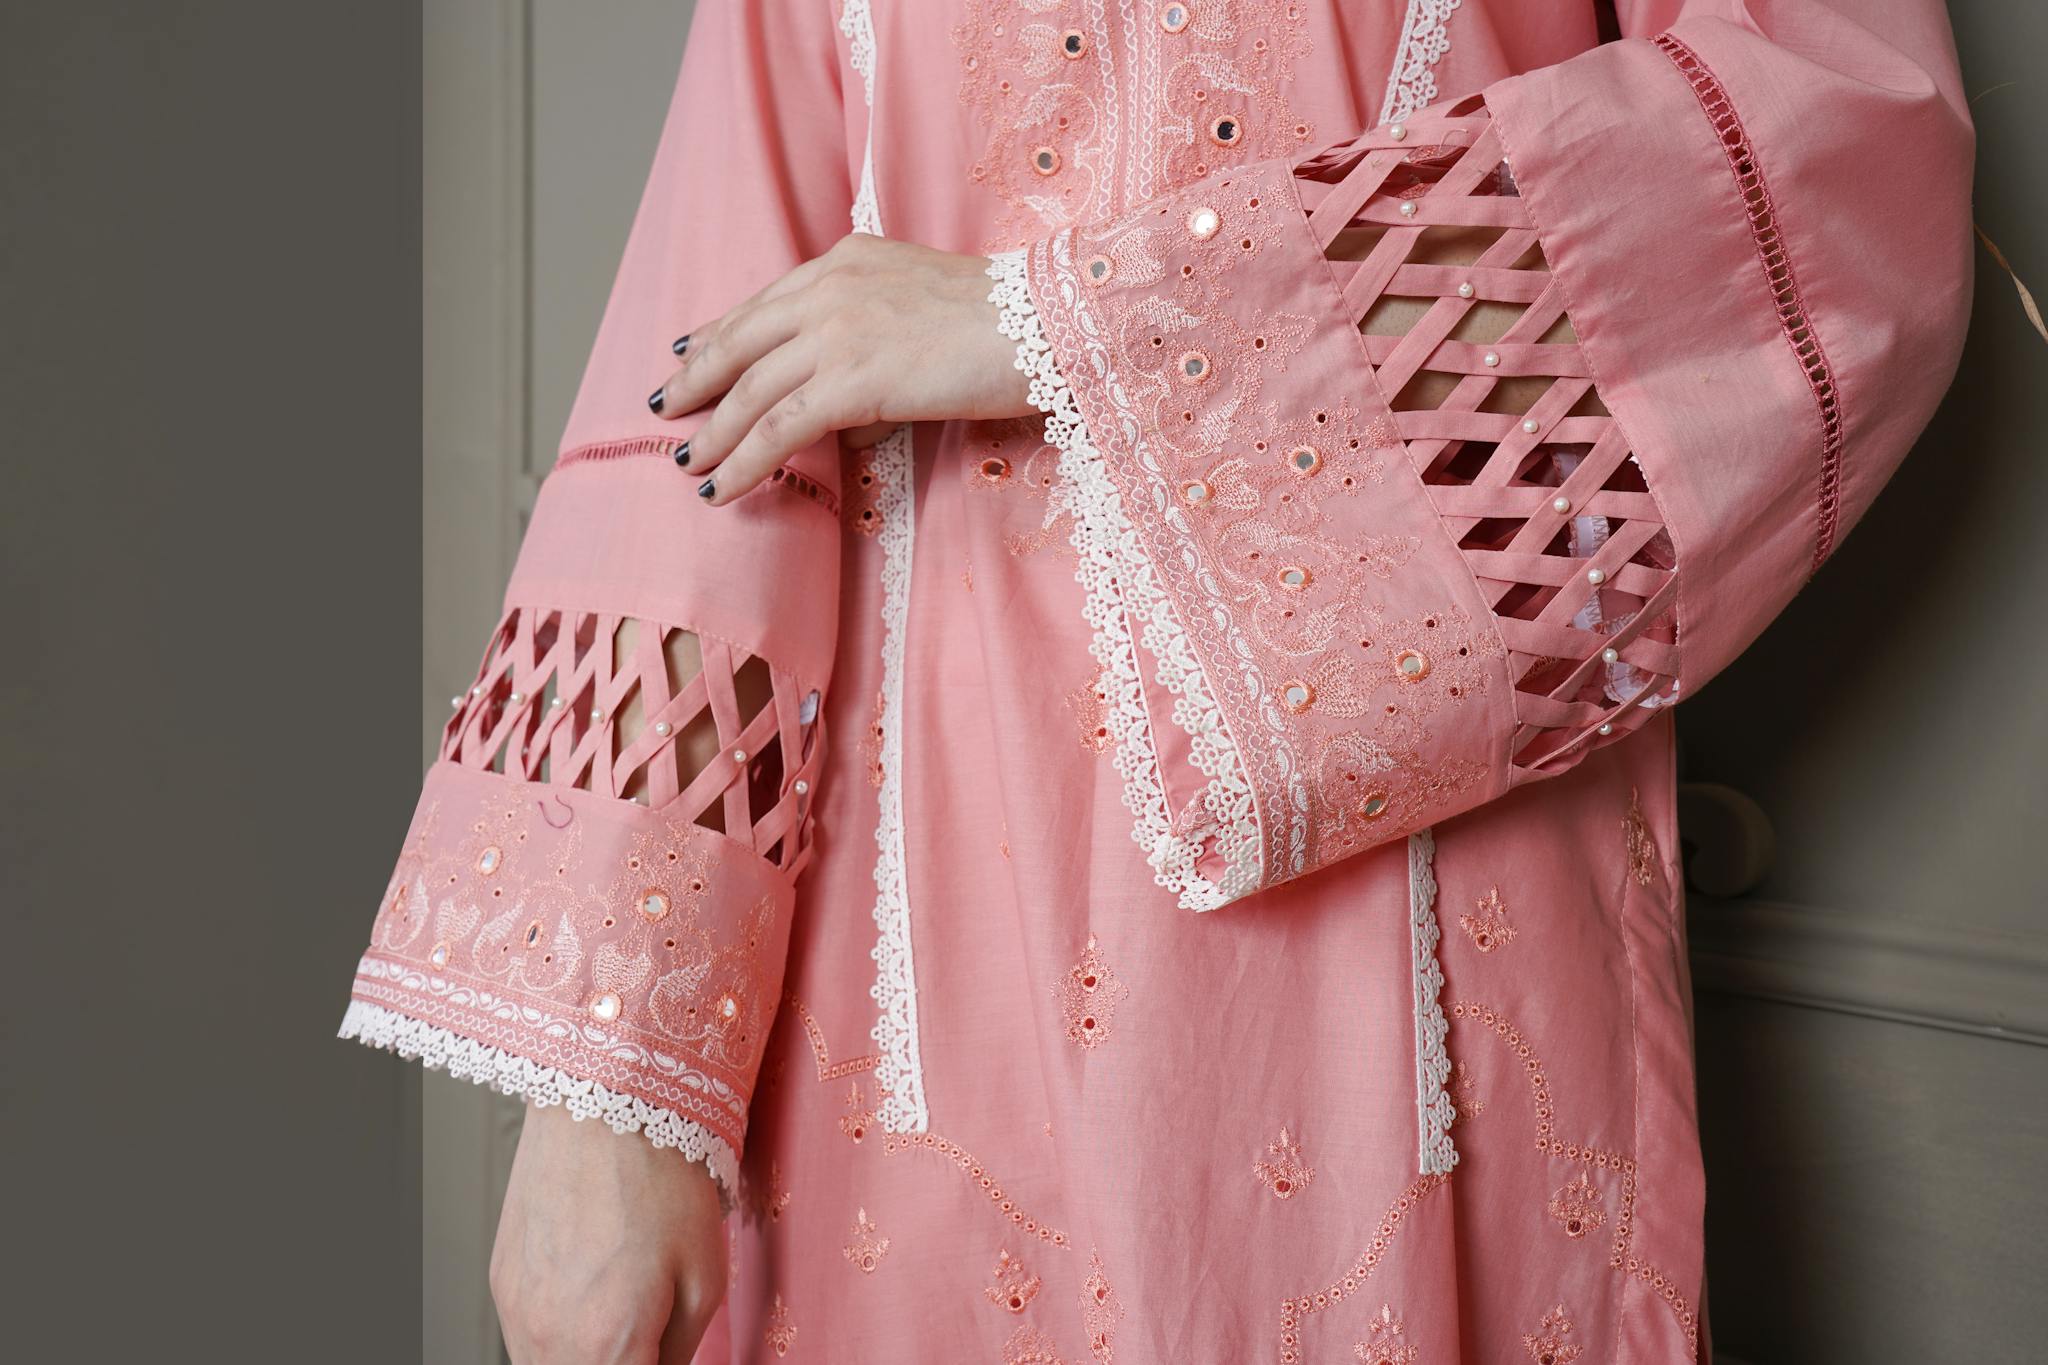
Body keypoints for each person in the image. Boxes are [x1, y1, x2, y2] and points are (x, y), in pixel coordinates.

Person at [342, 1, 1973, 1360]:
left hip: (1412, 991)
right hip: (906, 998)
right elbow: (715, 379)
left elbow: (1840, 150)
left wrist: (1051, 322)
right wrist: (612, 1099)